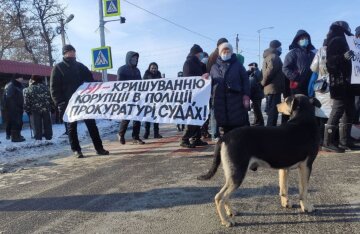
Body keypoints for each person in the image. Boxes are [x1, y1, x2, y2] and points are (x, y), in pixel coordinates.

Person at [50, 45, 109, 158]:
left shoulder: (81, 66)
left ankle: (99, 148)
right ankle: (76, 150)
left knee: (92, 125)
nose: (71, 53)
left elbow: (90, 82)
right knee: (71, 128)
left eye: (73, 51)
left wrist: (97, 88)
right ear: (64, 54)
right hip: (68, 103)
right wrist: (60, 102)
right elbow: (54, 88)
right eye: (69, 52)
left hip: (84, 102)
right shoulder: (58, 68)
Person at [322, 21, 360, 152]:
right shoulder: (336, 40)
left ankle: (345, 140)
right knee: (337, 110)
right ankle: (328, 141)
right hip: (339, 82)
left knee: (349, 111)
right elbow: (330, 63)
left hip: (349, 82)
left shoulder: (349, 41)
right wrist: (343, 57)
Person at [210, 42, 250, 135]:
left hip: (236, 100)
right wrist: (205, 77)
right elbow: (210, 82)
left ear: (231, 52)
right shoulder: (214, 67)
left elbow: (245, 81)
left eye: (228, 51)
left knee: (237, 127)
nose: (226, 53)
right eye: (224, 51)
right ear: (220, 53)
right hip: (220, 101)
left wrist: (246, 95)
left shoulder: (238, 65)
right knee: (225, 128)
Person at [180, 44, 208, 148]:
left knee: (198, 118)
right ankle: (184, 139)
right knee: (192, 118)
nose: (201, 55)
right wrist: (201, 77)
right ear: (196, 53)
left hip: (199, 94)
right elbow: (189, 79)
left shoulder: (199, 64)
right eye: (200, 53)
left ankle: (196, 138)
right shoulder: (188, 63)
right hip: (192, 95)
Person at [117, 51, 145, 145]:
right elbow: (120, 84)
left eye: (136, 58)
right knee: (127, 117)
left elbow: (141, 83)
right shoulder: (122, 69)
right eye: (133, 58)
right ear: (129, 58)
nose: (135, 60)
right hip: (127, 97)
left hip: (137, 97)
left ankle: (136, 137)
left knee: (137, 117)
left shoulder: (137, 70)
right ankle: (121, 134)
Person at [309, 39, 332, 146]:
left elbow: (313, 67)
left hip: (320, 86)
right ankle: (330, 140)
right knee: (332, 116)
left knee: (320, 115)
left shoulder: (320, 51)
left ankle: (320, 140)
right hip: (333, 85)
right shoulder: (340, 49)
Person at [283, 30, 316, 96]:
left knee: (310, 105)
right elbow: (285, 68)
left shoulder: (312, 54)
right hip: (297, 86)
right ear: (297, 41)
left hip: (311, 84)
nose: (305, 40)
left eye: (306, 38)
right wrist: (295, 77)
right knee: (299, 105)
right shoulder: (292, 53)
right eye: (302, 39)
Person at [261, 40, 285, 126]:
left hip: (271, 88)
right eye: (279, 47)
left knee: (272, 110)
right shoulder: (274, 56)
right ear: (276, 47)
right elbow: (270, 71)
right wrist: (263, 82)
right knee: (273, 111)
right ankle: (270, 130)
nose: (281, 48)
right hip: (273, 88)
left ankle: (270, 128)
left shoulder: (268, 56)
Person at [23, 75, 53, 141]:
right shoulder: (46, 88)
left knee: (36, 124)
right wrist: (52, 107)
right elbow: (51, 98)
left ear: (33, 80)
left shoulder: (29, 89)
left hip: (34, 110)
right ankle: (48, 136)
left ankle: (38, 137)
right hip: (46, 109)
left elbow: (26, 101)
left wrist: (27, 110)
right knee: (47, 123)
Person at [142, 62, 163, 139]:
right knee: (148, 117)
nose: (154, 69)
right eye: (152, 68)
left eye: (155, 68)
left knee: (156, 117)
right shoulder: (146, 75)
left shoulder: (159, 75)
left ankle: (156, 133)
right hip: (148, 100)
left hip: (157, 100)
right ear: (149, 68)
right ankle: (146, 133)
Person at [3, 75, 25, 142]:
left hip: (18, 107)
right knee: (15, 122)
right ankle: (15, 137)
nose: (22, 79)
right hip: (13, 108)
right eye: (21, 77)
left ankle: (18, 135)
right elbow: (9, 98)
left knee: (19, 122)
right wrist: (14, 107)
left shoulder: (19, 85)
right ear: (17, 78)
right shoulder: (11, 85)